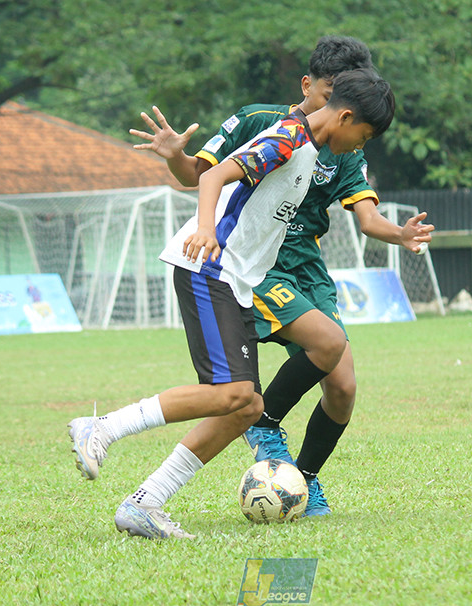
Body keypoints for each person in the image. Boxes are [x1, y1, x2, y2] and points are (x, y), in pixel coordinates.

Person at [69, 68, 396, 540]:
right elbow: (215, 176)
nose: (357, 146)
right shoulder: (288, 138)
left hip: (240, 279)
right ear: (344, 116)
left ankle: (145, 504)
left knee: (244, 406)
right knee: (234, 396)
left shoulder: (310, 147)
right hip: (211, 268)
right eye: (361, 135)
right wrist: (205, 228)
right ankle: (100, 427)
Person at [128, 36, 432, 517]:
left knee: (344, 383)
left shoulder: (347, 148)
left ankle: (299, 481)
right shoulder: (265, 124)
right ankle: (263, 423)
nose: (333, 105)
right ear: (310, 86)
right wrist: (173, 157)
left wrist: (401, 234)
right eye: (329, 92)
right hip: (259, 264)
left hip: (305, 267)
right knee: (253, 385)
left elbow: (369, 219)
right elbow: (201, 176)